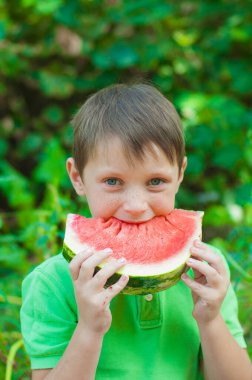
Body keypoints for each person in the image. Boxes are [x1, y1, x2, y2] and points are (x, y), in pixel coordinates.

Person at [21, 83, 251, 380]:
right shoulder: (52, 284)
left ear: (180, 174)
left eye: (155, 182)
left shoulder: (204, 273)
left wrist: (211, 319)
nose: (135, 206)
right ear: (77, 177)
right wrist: (89, 329)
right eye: (113, 182)